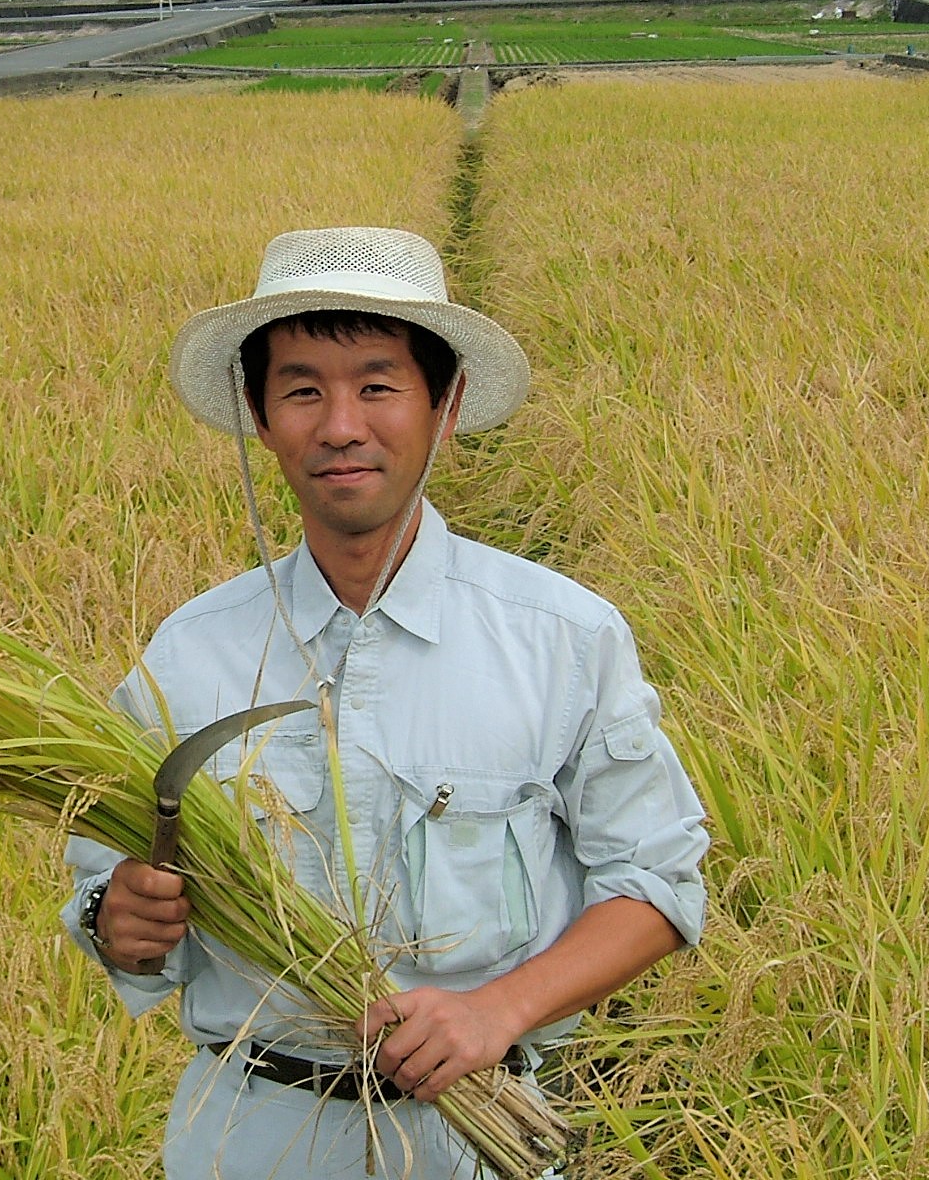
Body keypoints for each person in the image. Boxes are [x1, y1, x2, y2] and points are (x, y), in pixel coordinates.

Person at [61, 226, 708, 1180]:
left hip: (475, 1136)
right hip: (248, 1134)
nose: (340, 425)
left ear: (443, 408)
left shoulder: (560, 637)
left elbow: (657, 882)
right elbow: (105, 889)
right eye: (302, 390)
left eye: (377, 384)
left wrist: (500, 1010)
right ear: (260, 414)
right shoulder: (191, 656)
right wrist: (118, 918)